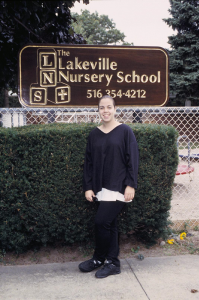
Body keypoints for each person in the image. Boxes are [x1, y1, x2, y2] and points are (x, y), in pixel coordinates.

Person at [78, 95, 139, 279]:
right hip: (100, 188)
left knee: (101, 222)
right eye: (101, 107)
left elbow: (133, 160)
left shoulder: (125, 131)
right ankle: (112, 263)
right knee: (110, 225)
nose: (105, 111)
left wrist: (131, 184)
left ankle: (99, 257)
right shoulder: (94, 134)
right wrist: (88, 187)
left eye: (108, 107)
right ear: (98, 110)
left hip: (119, 186)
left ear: (115, 108)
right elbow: (88, 163)